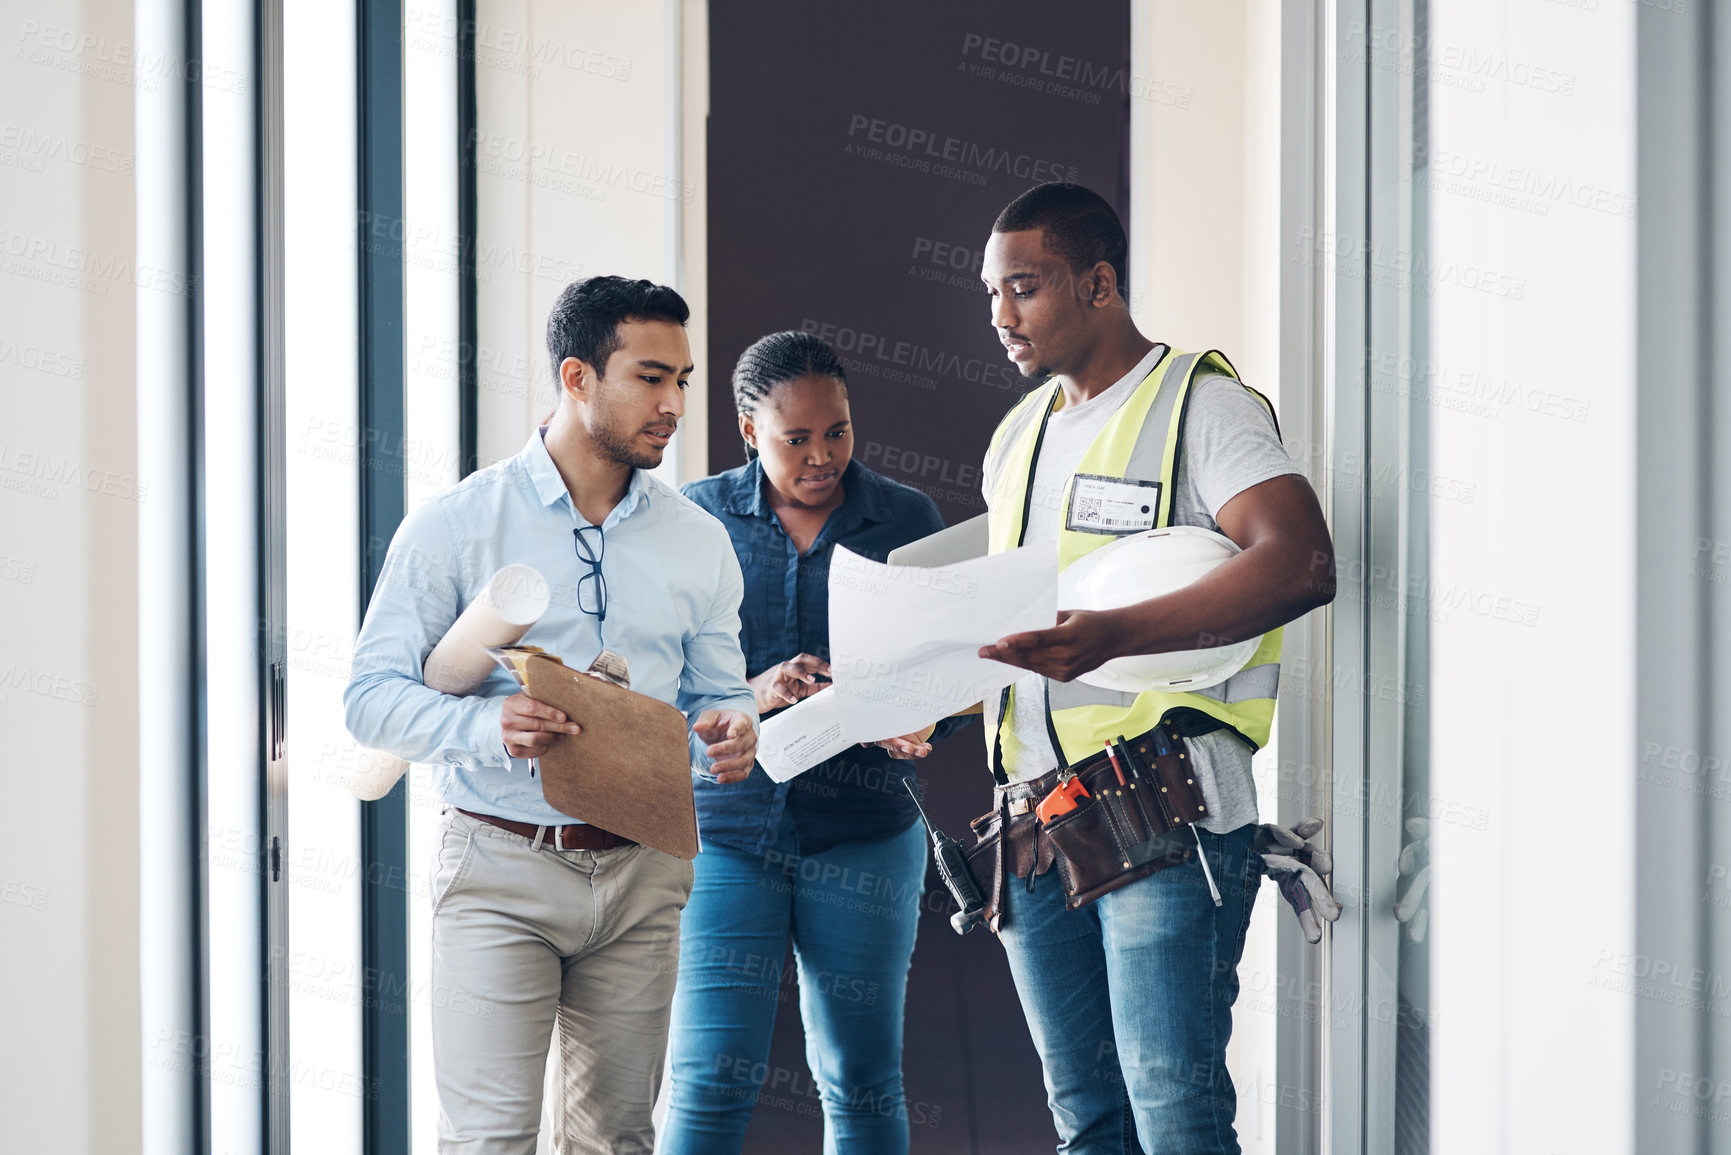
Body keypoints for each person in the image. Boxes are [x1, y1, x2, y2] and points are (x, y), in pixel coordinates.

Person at [344, 276, 759, 1154]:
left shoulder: (698, 540)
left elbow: (718, 691)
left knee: (616, 1139)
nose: (674, 404)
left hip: (642, 875)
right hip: (499, 868)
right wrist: (485, 729)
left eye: (682, 379)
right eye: (650, 377)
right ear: (576, 377)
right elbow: (370, 700)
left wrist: (731, 726)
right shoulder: (456, 524)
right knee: (491, 1138)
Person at [969, 183, 1336, 1154]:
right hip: (1033, 827)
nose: (1002, 317)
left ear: (1098, 283)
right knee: (1087, 1122)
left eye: (1024, 288)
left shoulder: (1200, 406)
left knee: (1173, 1112)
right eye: (992, 295)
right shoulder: (1015, 439)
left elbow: (1300, 560)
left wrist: (1113, 636)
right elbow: (1019, 630)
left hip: (1162, 809)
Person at [661, 330, 971, 1155]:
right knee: (708, 1077)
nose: (821, 455)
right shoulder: (691, 518)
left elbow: (957, 670)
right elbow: (651, 683)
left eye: (836, 430)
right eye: (795, 437)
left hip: (865, 832)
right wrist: (750, 692)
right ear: (745, 429)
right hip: (724, 832)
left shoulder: (904, 518)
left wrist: (926, 715)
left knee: (861, 1079)